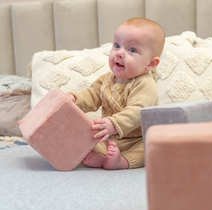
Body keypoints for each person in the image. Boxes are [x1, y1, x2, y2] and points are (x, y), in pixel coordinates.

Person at [67, 17, 165, 170]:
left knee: (152, 148)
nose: (119, 53)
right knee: (88, 137)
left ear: (150, 64)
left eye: (132, 50)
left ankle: (121, 162)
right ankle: (102, 156)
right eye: (117, 45)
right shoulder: (107, 79)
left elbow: (136, 111)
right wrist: (74, 100)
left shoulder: (145, 84)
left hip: (138, 138)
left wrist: (113, 123)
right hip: (110, 136)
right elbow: (92, 95)